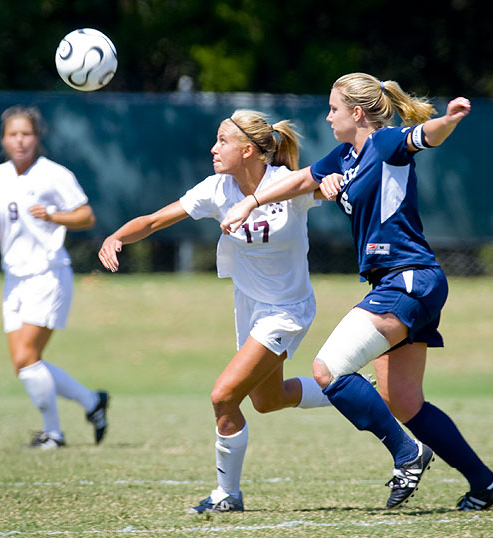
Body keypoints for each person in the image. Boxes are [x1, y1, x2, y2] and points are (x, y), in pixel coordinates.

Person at [221, 73, 493, 511]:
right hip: (403, 283)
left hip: (407, 278)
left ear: (357, 113)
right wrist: (251, 202)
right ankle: (486, 484)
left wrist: (448, 119)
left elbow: (425, 135)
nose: (328, 116)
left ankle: (408, 454)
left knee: (328, 369)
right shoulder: (344, 156)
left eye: (334, 109)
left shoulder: (385, 142)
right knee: (403, 401)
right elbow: (300, 180)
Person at [99, 109, 338, 514]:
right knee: (268, 399)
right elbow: (156, 220)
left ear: (247, 150)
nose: (214, 147)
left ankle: (227, 496)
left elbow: (327, 182)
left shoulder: (284, 185)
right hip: (249, 309)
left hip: (287, 310)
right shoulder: (217, 189)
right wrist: (118, 236)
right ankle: (350, 389)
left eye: (223, 140)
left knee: (224, 396)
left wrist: (330, 184)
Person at [0, 105, 109, 450]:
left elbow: (87, 216)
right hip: (14, 279)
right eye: (13, 134)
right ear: (3, 139)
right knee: (25, 364)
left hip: (48, 273)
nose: (20, 141)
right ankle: (91, 401)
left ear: (37, 138)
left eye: (27, 134)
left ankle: (54, 433)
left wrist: (53, 214)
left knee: (25, 358)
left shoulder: (53, 174)